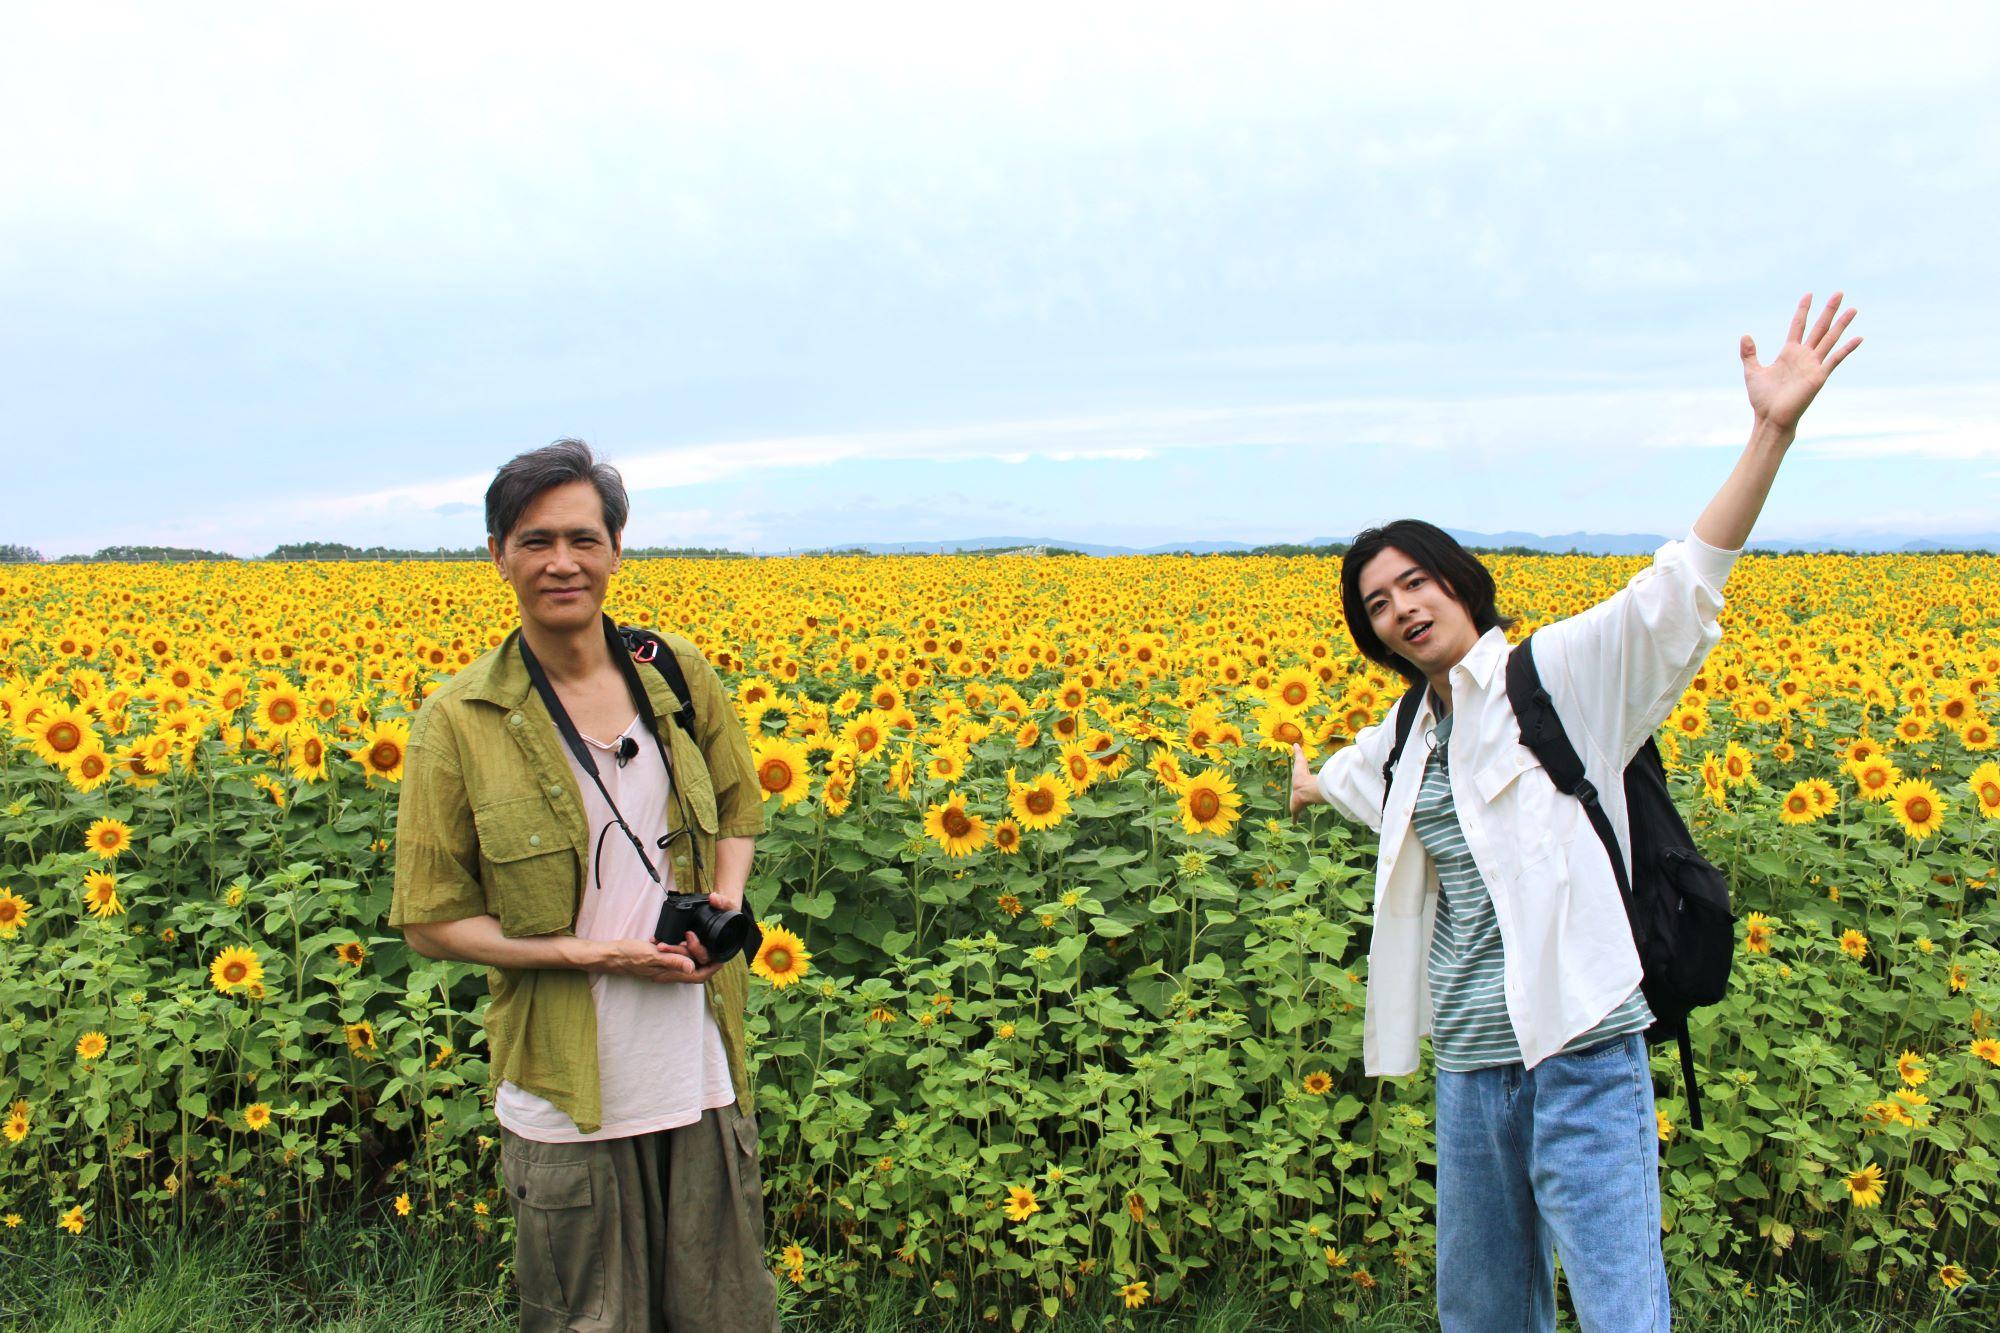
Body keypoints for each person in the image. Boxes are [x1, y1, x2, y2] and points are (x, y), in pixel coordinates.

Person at [1287, 294, 1862, 1331]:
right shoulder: (1408, 731)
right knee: (1481, 1310)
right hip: (1468, 1064)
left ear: (1461, 583)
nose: (1400, 607)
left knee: (1617, 1306)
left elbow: (1678, 588)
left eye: (1413, 581)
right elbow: (1355, 782)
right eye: (1375, 604)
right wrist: (1304, 781)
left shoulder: (1558, 675)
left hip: (1580, 1043)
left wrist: (1769, 430)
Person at [389, 438, 779, 1333]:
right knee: (588, 1318)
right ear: (497, 555)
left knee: (721, 1311)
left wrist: (722, 897)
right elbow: (429, 919)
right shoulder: (458, 721)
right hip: (567, 1082)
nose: (561, 561)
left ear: (614, 549)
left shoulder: (673, 671)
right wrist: (584, 952)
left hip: (696, 1062)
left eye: (582, 538)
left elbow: (739, 799)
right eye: (534, 541)